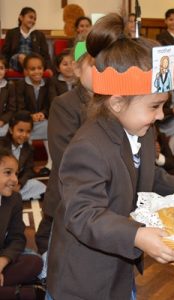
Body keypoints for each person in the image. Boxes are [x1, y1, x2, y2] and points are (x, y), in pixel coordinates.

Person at [44, 13, 174, 300]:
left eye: (163, 106)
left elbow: (150, 176)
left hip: (120, 272)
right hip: (82, 279)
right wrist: (136, 235)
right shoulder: (88, 146)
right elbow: (83, 214)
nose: (160, 116)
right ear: (118, 102)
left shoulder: (142, 131)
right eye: (154, 106)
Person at [35, 43, 94, 260]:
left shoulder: (113, 101)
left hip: (97, 202)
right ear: (78, 70)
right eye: (94, 64)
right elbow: (66, 156)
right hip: (65, 197)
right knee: (52, 254)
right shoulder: (64, 104)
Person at [0, 148, 43, 299]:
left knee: (35, 263)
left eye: (16, 173)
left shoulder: (14, 199)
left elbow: (17, 238)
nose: (15, 180)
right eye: (7, 172)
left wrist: (1, 263)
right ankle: (22, 294)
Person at [16, 53, 52, 177]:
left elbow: (49, 103)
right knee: (25, 130)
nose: (37, 72)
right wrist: (30, 116)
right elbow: (19, 106)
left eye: (39, 68)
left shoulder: (47, 84)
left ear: (43, 69)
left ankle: (50, 163)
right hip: (26, 120)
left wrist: (43, 113)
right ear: (26, 71)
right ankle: (27, 165)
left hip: (41, 120)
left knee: (49, 126)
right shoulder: (20, 85)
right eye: (32, 69)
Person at [0, 111, 46, 201]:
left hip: (16, 184)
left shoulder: (28, 149)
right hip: (2, 182)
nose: (24, 135)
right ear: (11, 130)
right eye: (20, 130)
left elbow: (29, 170)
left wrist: (19, 184)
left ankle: (11, 196)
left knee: (39, 186)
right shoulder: (1, 145)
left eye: (28, 131)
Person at [1, 6, 52, 73]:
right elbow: (5, 52)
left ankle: (28, 72)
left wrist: (48, 68)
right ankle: (30, 73)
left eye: (34, 19)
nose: (33, 21)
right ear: (21, 17)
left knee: (33, 60)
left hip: (34, 61)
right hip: (16, 62)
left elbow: (45, 54)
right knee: (21, 57)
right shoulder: (11, 33)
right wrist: (5, 66)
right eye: (30, 17)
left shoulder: (39, 35)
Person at [0, 55, 16, 137]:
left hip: (2, 121)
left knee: (3, 133)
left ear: (5, 70)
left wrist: (3, 120)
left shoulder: (9, 86)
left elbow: (12, 109)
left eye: (1, 68)